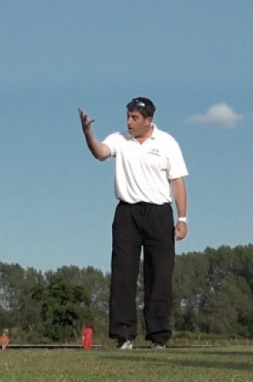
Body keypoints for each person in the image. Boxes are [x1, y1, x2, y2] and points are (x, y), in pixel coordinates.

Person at [79, 97, 189, 350]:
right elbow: (100, 153)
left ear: (148, 120)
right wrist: (88, 133)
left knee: (160, 275)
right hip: (127, 213)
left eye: (135, 118)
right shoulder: (119, 139)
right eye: (128, 116)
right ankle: (124, 335)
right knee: (123, 274)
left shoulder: (167, 142)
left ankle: (159, 337)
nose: (129, 122)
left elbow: (178, 182)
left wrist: (182, 218)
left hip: (159, 213)